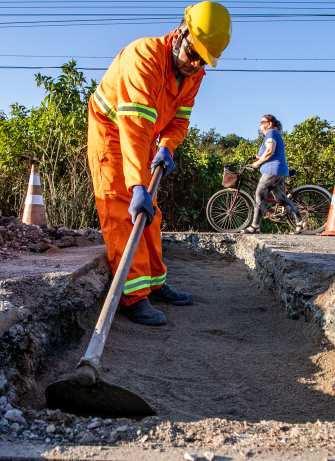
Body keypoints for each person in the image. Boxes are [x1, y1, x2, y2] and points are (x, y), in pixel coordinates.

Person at [87, 2, 232, 326]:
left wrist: (166, 147)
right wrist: (137, 184)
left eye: (202, 61)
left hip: (146, 135)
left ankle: (153, 281)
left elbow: (180, 121)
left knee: (151, 210)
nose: (195, 64)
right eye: (192, 54)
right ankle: (134, 296)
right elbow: (134, 128)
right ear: (180, 33)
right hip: (111, 129)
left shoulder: (193, 74)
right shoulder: (144, 57)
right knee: (123, 205)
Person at [240, 114, 308, 235]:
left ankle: (255, 226)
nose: (260, 124)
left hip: (272, 170)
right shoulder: (271, 135)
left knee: (260, 193)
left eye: (262, 122)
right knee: (281, 199)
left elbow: (270, 150)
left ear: (270, 124)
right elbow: (268, 151)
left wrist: (258, 163)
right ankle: (299, 222)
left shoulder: (271, 132)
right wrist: (257, 157)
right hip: (279, 171)